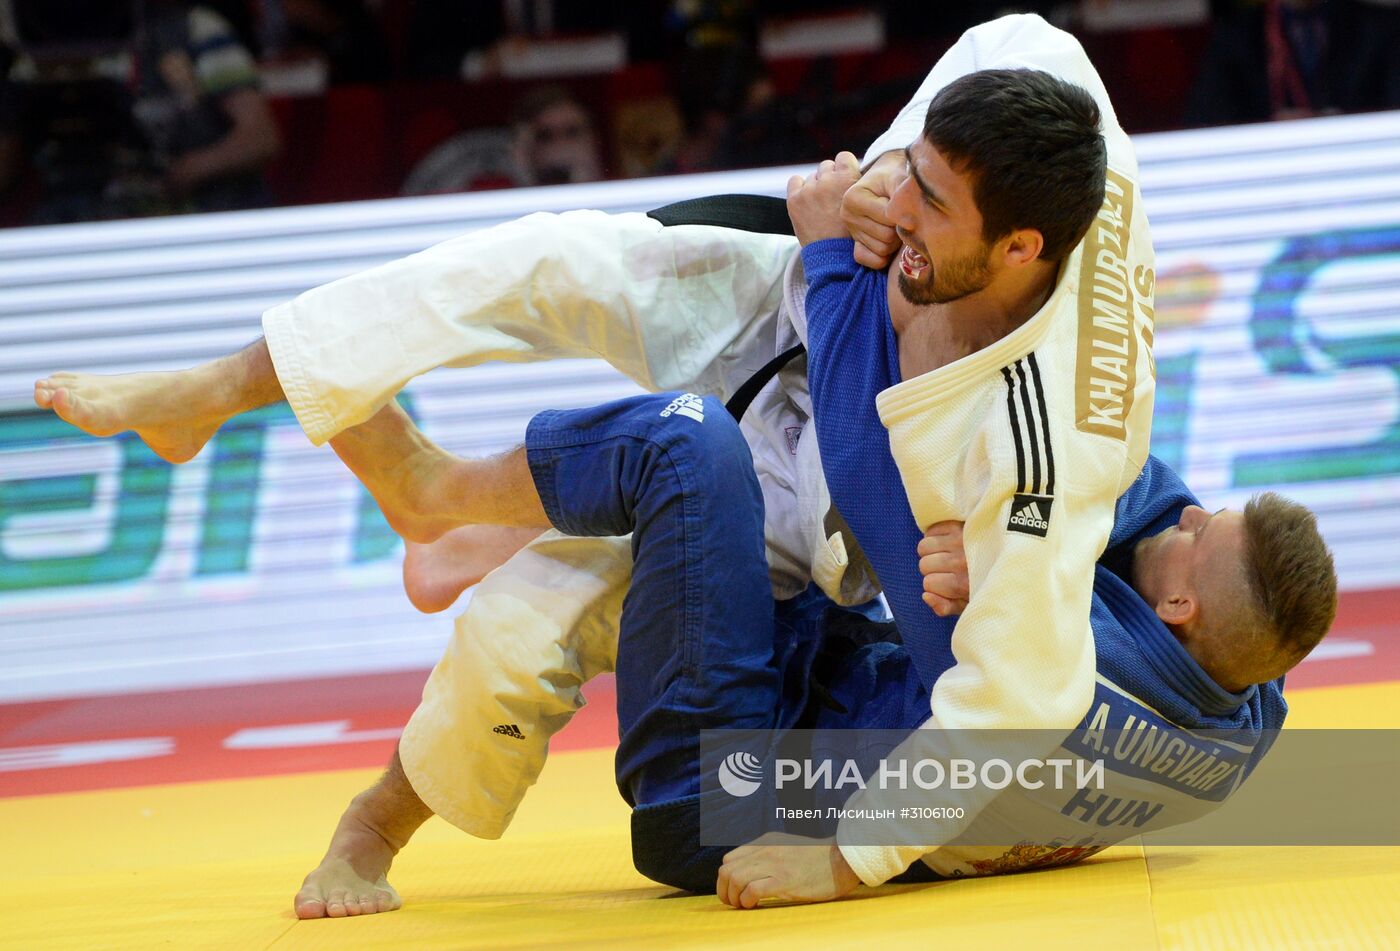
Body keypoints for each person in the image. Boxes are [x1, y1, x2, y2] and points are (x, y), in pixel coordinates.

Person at [32, 14, 1157, 912]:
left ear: (1019, 250)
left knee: (547, 599)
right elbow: (976, 99)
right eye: (909, 175)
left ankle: (425, 616)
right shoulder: (1032, 73)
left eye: (932, 205)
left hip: (851, 499)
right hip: (811, 302)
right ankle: (222, 388)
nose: (904, 207)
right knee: (561, 257)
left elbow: (1014, 707)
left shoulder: (1060, 438)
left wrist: (846, 860)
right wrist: (868, 183)